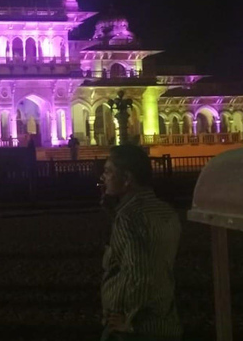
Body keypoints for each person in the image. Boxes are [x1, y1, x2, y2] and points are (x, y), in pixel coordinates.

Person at [99, 145, 182, 341]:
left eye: (108, 171)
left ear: (127, 179)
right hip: (166, 320)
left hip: (138, 331)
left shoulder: (130, 218)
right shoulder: (165, 211)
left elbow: (141, 274)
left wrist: (131, 322)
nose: (103, 177)